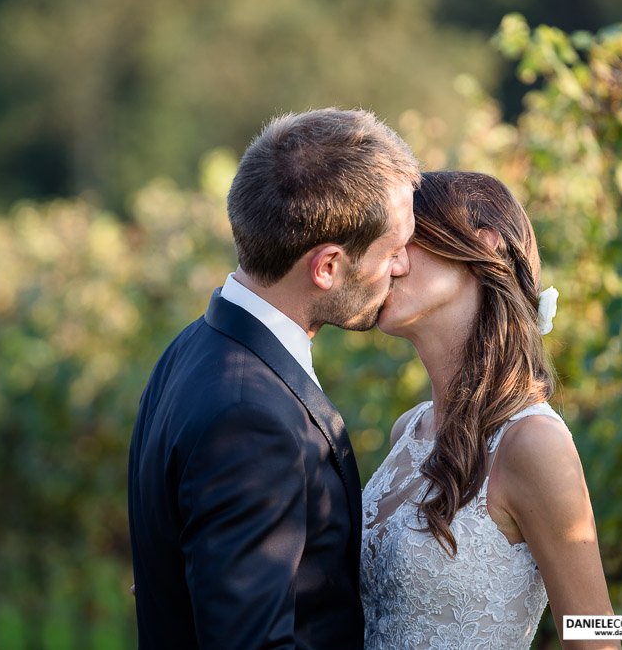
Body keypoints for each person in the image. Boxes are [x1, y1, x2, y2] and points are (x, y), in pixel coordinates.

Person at [128, 108, 419, 650]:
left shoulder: (193, 349)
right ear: (327, 266)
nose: (403, 266)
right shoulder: (249, 419)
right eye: (393, 249)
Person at [361, 171, 618, 649]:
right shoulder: (408, 431)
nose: (384, 263)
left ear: (482, 245)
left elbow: (596, 638)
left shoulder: (533, 442)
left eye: (403, 242)